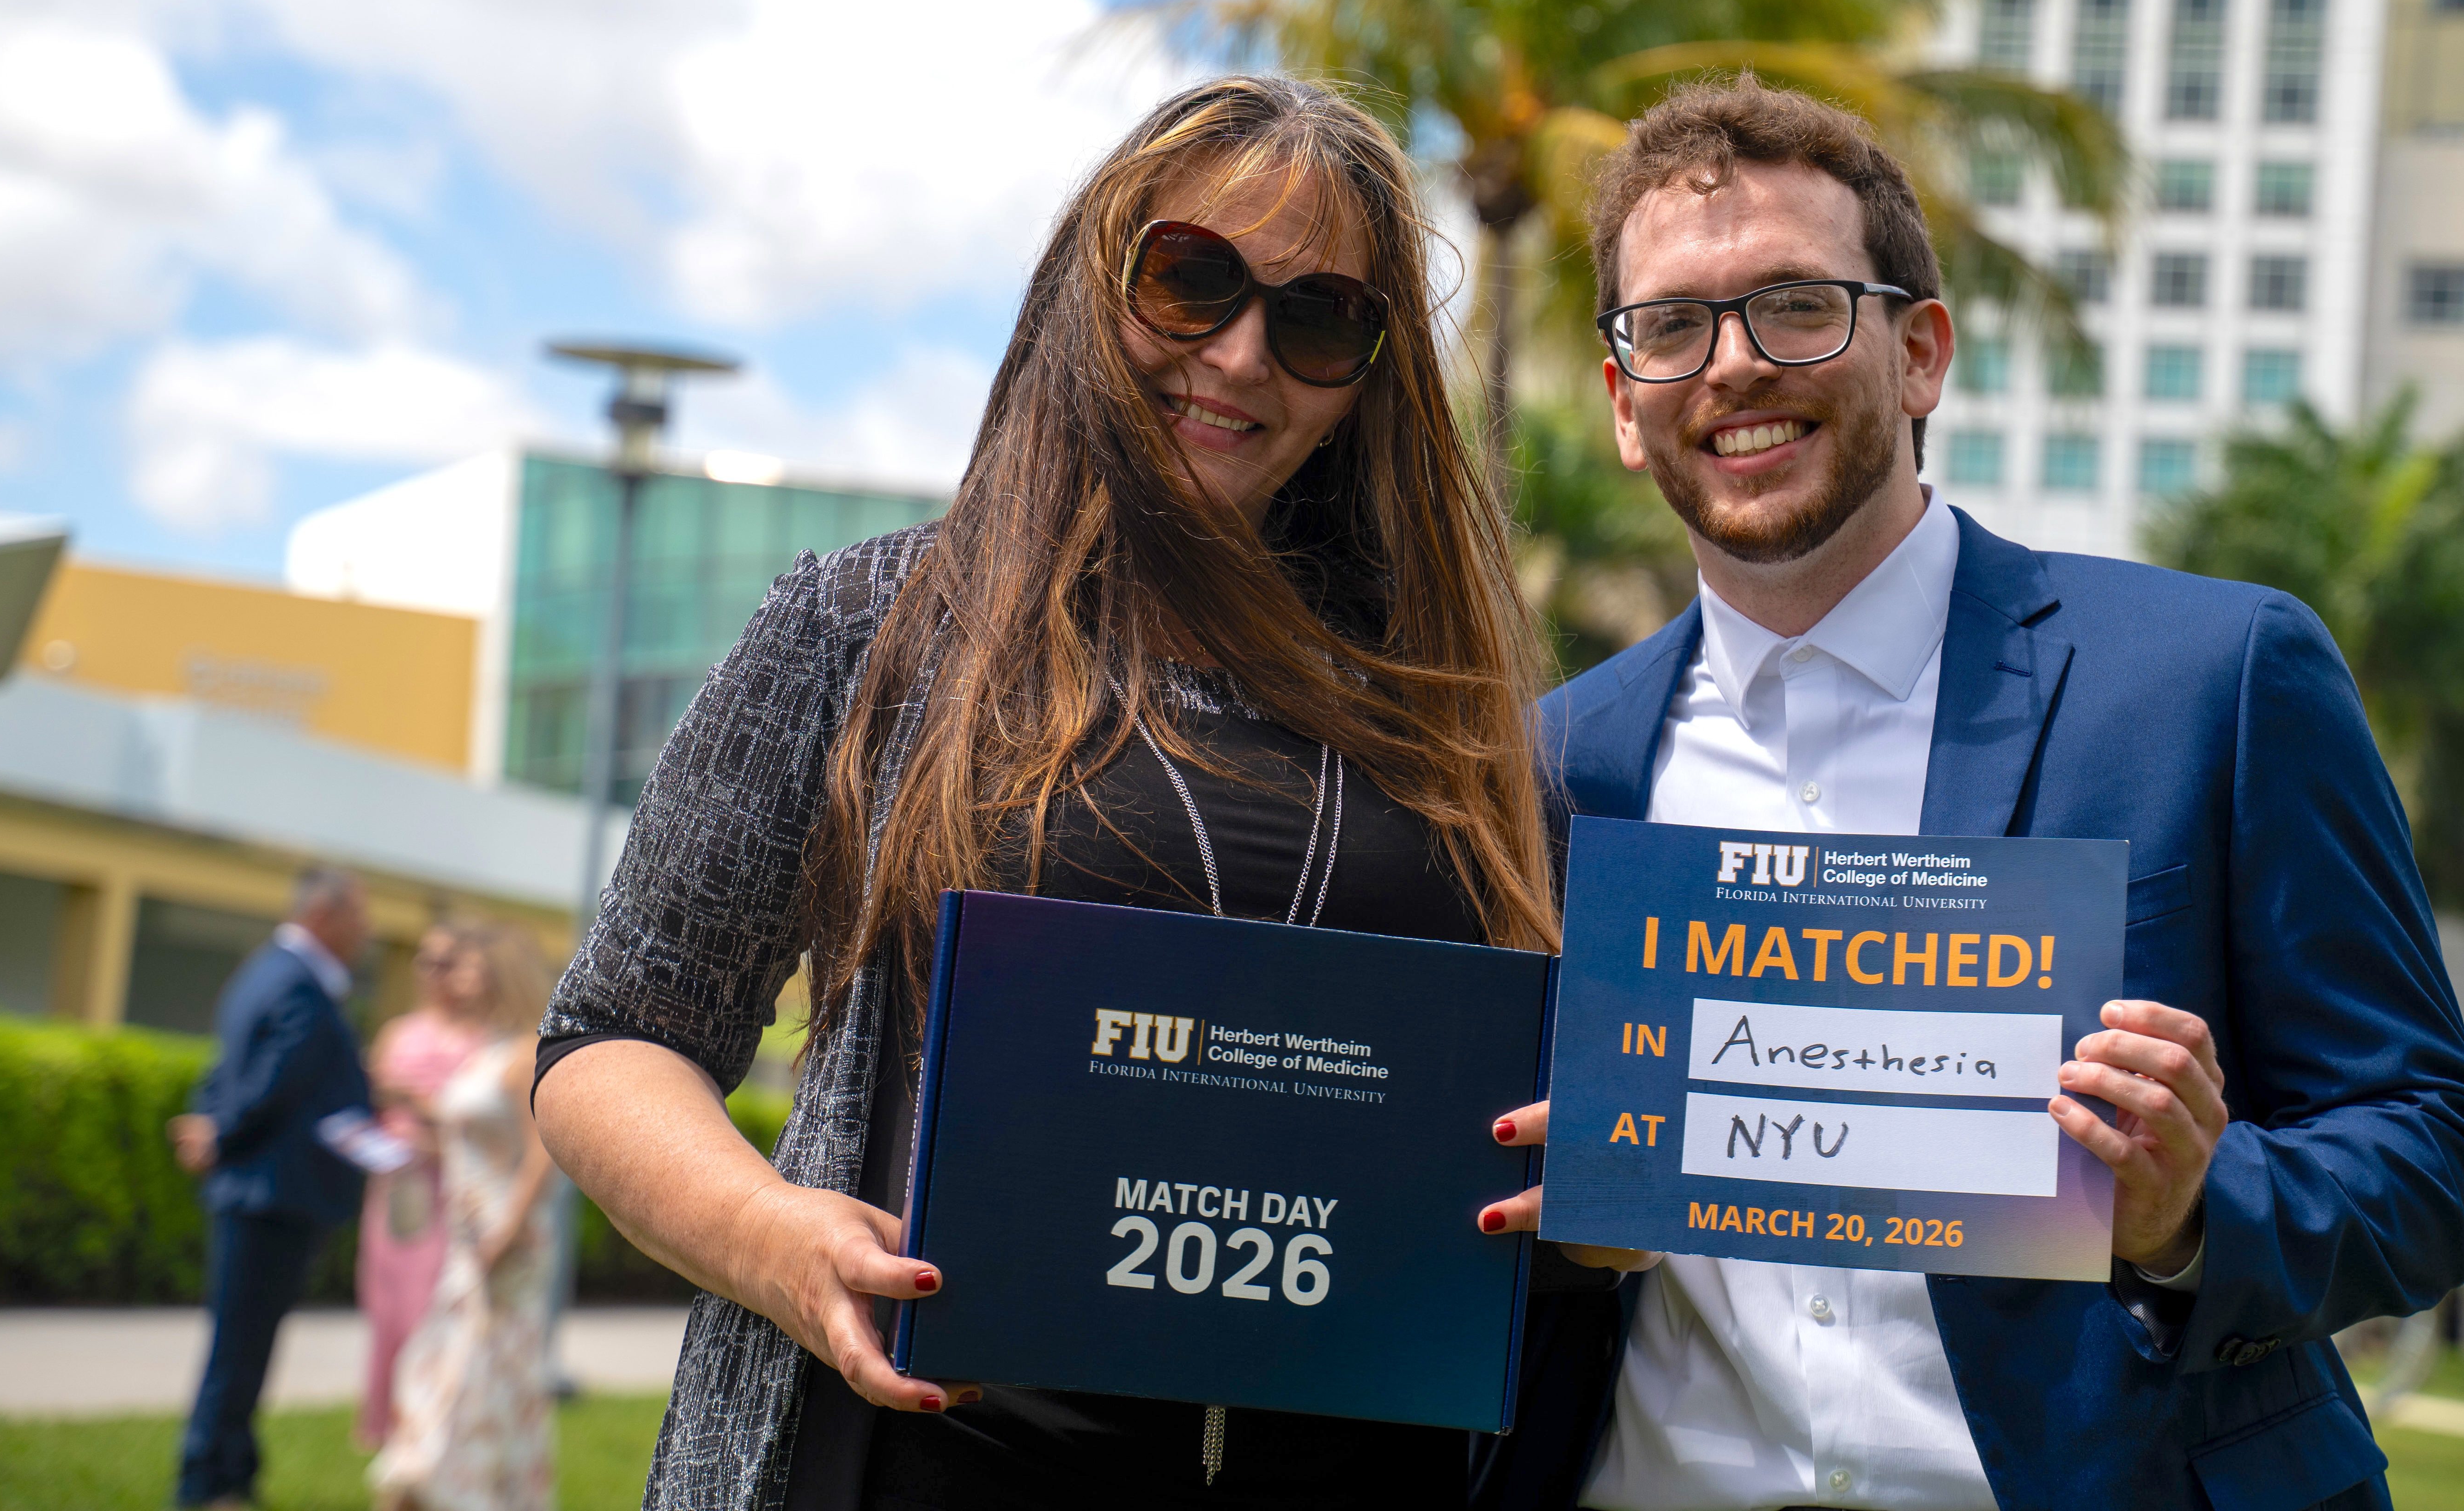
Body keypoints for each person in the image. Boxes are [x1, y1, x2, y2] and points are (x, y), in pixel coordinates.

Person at [531, 75, 1564, 1511]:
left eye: (1320, 318)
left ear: (1369, 378)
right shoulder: (867, 627)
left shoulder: (1448, 713)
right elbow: (610, 1041)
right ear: (1093, 283)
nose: (1242, 356)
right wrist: (767, 1235)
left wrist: (1584, 1162)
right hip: (926, 1464)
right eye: (1189, 280)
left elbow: (1553, 1107)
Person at [1484, 74, 2464, 1510]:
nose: (1727, 366)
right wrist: (1555, 1231)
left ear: (1919, 354)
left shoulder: (2214, 679)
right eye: (1668, 326)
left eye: (1793, 303)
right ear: (1620, 402)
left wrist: (2187, 1214)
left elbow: (2430, 1148)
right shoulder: (1545, 767)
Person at [170, 864, 379, 1511]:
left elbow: (228, 1068)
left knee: (243, 1343)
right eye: (359, 917)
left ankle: (233, 1470)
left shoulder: (262, 971)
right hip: (271, 1195)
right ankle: (206, 1483)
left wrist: (211, 1123)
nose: (367, 932)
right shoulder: (300, 983)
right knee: (239, 1347)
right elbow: (274, 1081)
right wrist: (224, 1134)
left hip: (258, 1192)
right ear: (327, 915)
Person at [370, 921, 560, 1511]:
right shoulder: (488, 1050)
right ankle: (435, 1488)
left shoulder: (527, 1053)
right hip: (465, 1238)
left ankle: (443, 1489)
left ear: (501, 973)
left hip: (503, 1243)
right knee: (448, 1375)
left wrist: (507, 1230)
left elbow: (543, 1153)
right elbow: (470, 1138)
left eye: (472, 967)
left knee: (475, 1381)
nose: (459, 978)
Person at [357, 924, 488, 1450]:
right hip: (394, 1188)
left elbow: (477, 1129)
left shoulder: (482, 1041)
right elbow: (370, 1109)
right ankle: (387, 1426)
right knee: (386, 1306)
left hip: (449, 1194)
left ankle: (429, 1423)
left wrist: (416, 1106)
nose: (436, 974)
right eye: (426, 961)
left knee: (429, 1310)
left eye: (447, 961)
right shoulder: (398, 1032)